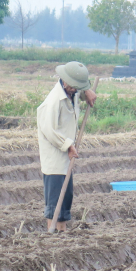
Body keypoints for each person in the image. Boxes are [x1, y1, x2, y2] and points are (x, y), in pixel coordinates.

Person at [37, 61, 97, 232]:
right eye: (75, 87)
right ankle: (54, 236)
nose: (75, 90)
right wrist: (68, 145)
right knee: (55, 204)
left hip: (66, 158)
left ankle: (61, 234)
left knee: (65, 203)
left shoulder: (72, 91)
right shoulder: (54, 101)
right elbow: (49, 130)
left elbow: (80, 92)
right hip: (56, 159)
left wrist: (87, 91)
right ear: (65, 81)